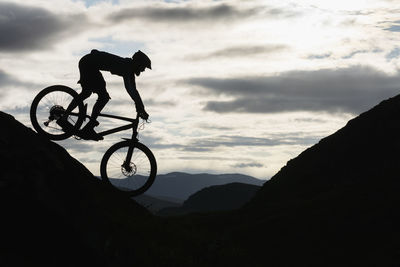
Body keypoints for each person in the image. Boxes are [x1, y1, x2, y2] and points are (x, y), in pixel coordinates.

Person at [62, 49, 151, 141]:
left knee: (87, 93)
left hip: (88, 63)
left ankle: (72, 119)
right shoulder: (127, 67)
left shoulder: (128, 67)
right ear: (138, 63)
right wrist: (141, 108)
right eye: (143, 67)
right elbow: (131, 89)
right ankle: (87, 127)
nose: (143, 70)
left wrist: (140, 107)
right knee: (103, 97)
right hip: (89, 64)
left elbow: (133, 90)